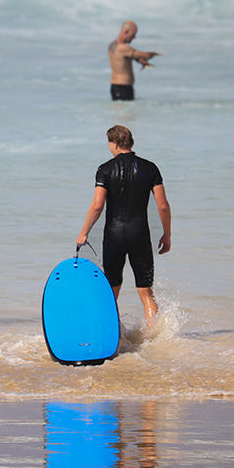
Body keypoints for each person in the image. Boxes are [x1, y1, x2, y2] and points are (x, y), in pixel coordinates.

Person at [76, 125, 171, 326]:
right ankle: (154, 340)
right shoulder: (150, 168)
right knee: (146, 293)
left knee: (111, 292)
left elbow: (97, 206)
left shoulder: (105, 169)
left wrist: (84, 233)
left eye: (109, 144)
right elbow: (162, 206)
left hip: (114, 236)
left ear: (116, 144)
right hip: (139, 235)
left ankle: (110, 338)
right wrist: (167, 234)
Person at [108, 21, 161, 101]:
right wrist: (157, 53)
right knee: (125, 113)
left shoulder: (112, 45)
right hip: (123, 88)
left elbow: (125, 59)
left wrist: (142, 62)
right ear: (126, 32)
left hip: (116, 87)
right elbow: (145, 56)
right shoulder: (124, 48)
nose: (134, 37)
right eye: (133, 34)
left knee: (124, 112)